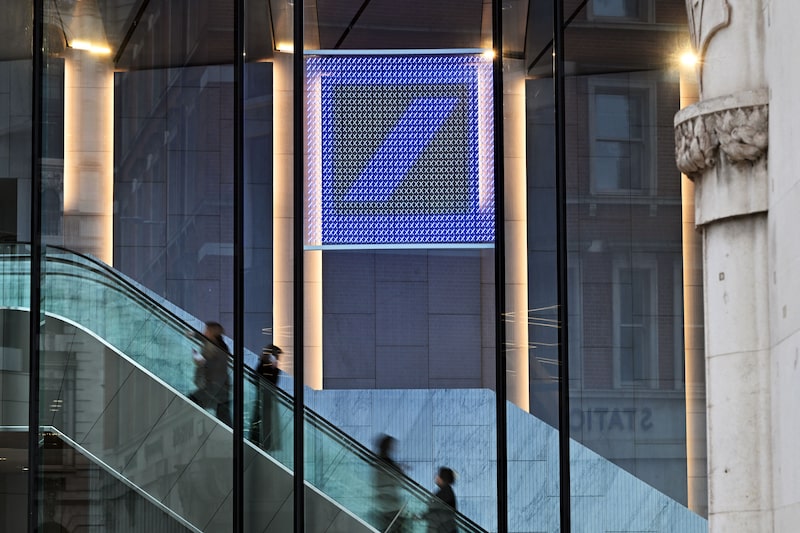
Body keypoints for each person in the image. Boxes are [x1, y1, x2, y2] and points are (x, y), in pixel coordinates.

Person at [188, 321, 232, 425]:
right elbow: (203, 339)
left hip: (214, 388)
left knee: (190, 403)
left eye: (206, 330)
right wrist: (194, 334)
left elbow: (216, 368)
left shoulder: (215, 348)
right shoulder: (218, 344)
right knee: (224, 417)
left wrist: (202, 363)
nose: (204, 332)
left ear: (211, 332)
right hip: (220, 388)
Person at [250, 343, 282, 450]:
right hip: (263, 398)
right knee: (263, 421)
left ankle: (262, 443)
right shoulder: (263, 365)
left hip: (265, 399)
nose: (278, 359)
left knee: (264, 421)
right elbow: (270, 382)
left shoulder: (266, 365)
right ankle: (260, 443)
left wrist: (275, 368)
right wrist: (274, 369)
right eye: (277, 356)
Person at [373, 434, 406, 532]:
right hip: (390, 505)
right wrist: (400, 470)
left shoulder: (378, 459)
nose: (393, 447)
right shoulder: (386, 462)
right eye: (391, 445)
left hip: (384, 505)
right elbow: (398, 479)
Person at [422, 466, 457, 533]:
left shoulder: (445, 492)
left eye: (438, 475)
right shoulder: (447, 491)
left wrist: (422, 515)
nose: (436, 477)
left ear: (442, 478)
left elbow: (435, 509)